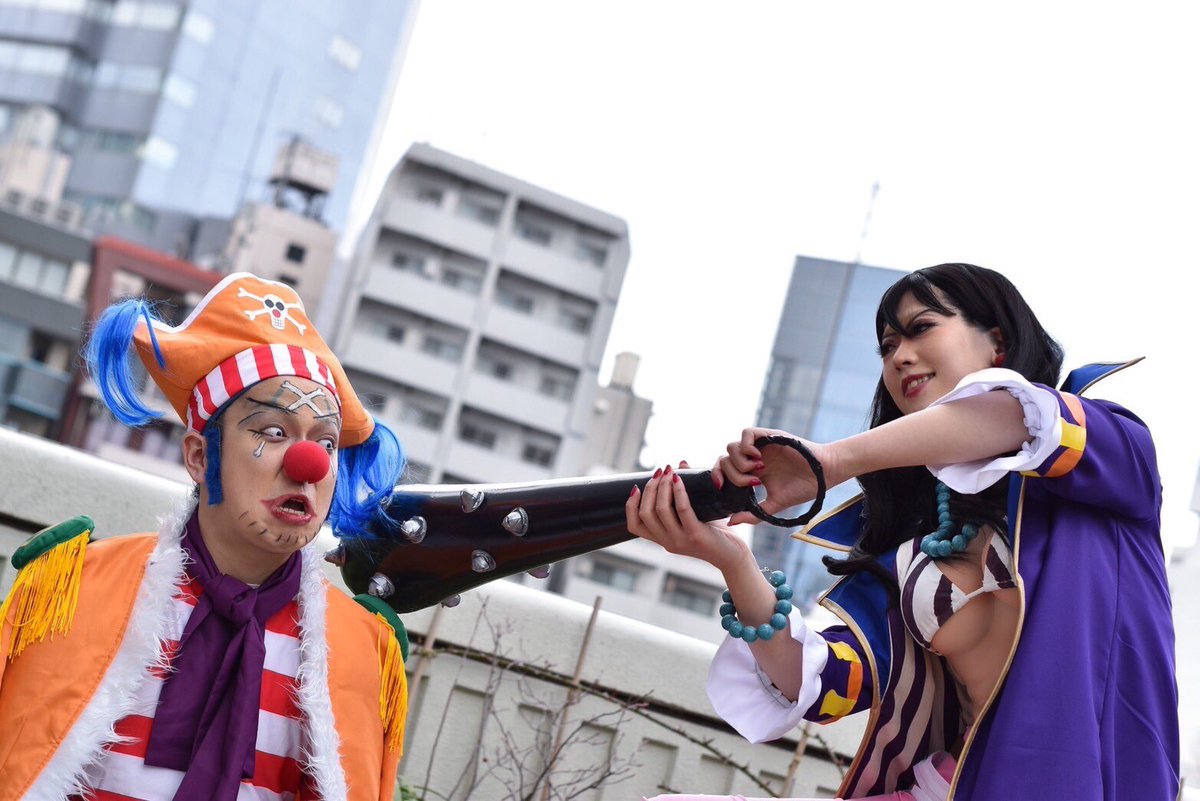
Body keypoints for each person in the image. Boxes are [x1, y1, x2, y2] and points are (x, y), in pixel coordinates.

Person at [626, 264, 1178, 801]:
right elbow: (820, 682)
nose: (899, 357)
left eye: (921, 328)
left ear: (998, 343)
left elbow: (1021, 418)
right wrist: (730, 559)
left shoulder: (1111, 451)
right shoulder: (914, 545)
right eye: (887, 346)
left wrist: (829, 463)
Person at [0, 273, 410, 801]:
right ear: (199, 455)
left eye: (326, 443)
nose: (308, 463)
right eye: (273, 432)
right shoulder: (74, 588)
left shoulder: (360, 650)